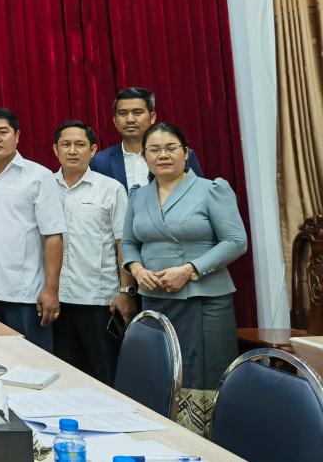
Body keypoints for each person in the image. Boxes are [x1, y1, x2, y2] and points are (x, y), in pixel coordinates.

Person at [122, 122, 248, 435]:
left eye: (170, 148)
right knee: (161, 373)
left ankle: (207, 445)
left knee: (203, 375)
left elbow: (236, 241)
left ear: (186, 153)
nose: (163, 155)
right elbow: (129, 243)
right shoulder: (138, 196)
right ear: (145, 156)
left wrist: (190, 270)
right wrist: (137, 270)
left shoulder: (211, 189)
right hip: (156, 302)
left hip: (204, 300)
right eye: (154, 149)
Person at [0, 107, 65, 351]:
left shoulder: (39, 176)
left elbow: (53, 236)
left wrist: (51, 289)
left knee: (32, 362)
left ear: (17, 136)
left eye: (3, 132)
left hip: (25, 293)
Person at [51, 121, 136, 385]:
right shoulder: (44, 187)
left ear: (93, 150)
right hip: (56, 301)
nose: (72, 150)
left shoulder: (111, 189)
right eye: (66, 144)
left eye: (80, 144)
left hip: (100, 300)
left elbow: (123, 243)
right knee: (62, 378)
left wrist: (126, 292)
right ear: (55, 149)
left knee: (104, 377)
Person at [91, 87, 203, 193]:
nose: (130, 119)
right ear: (115, 120)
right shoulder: (99, 161)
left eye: (137, 112)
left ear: (152, 117)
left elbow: (199, 194)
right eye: (123, 113)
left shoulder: (180, 155)